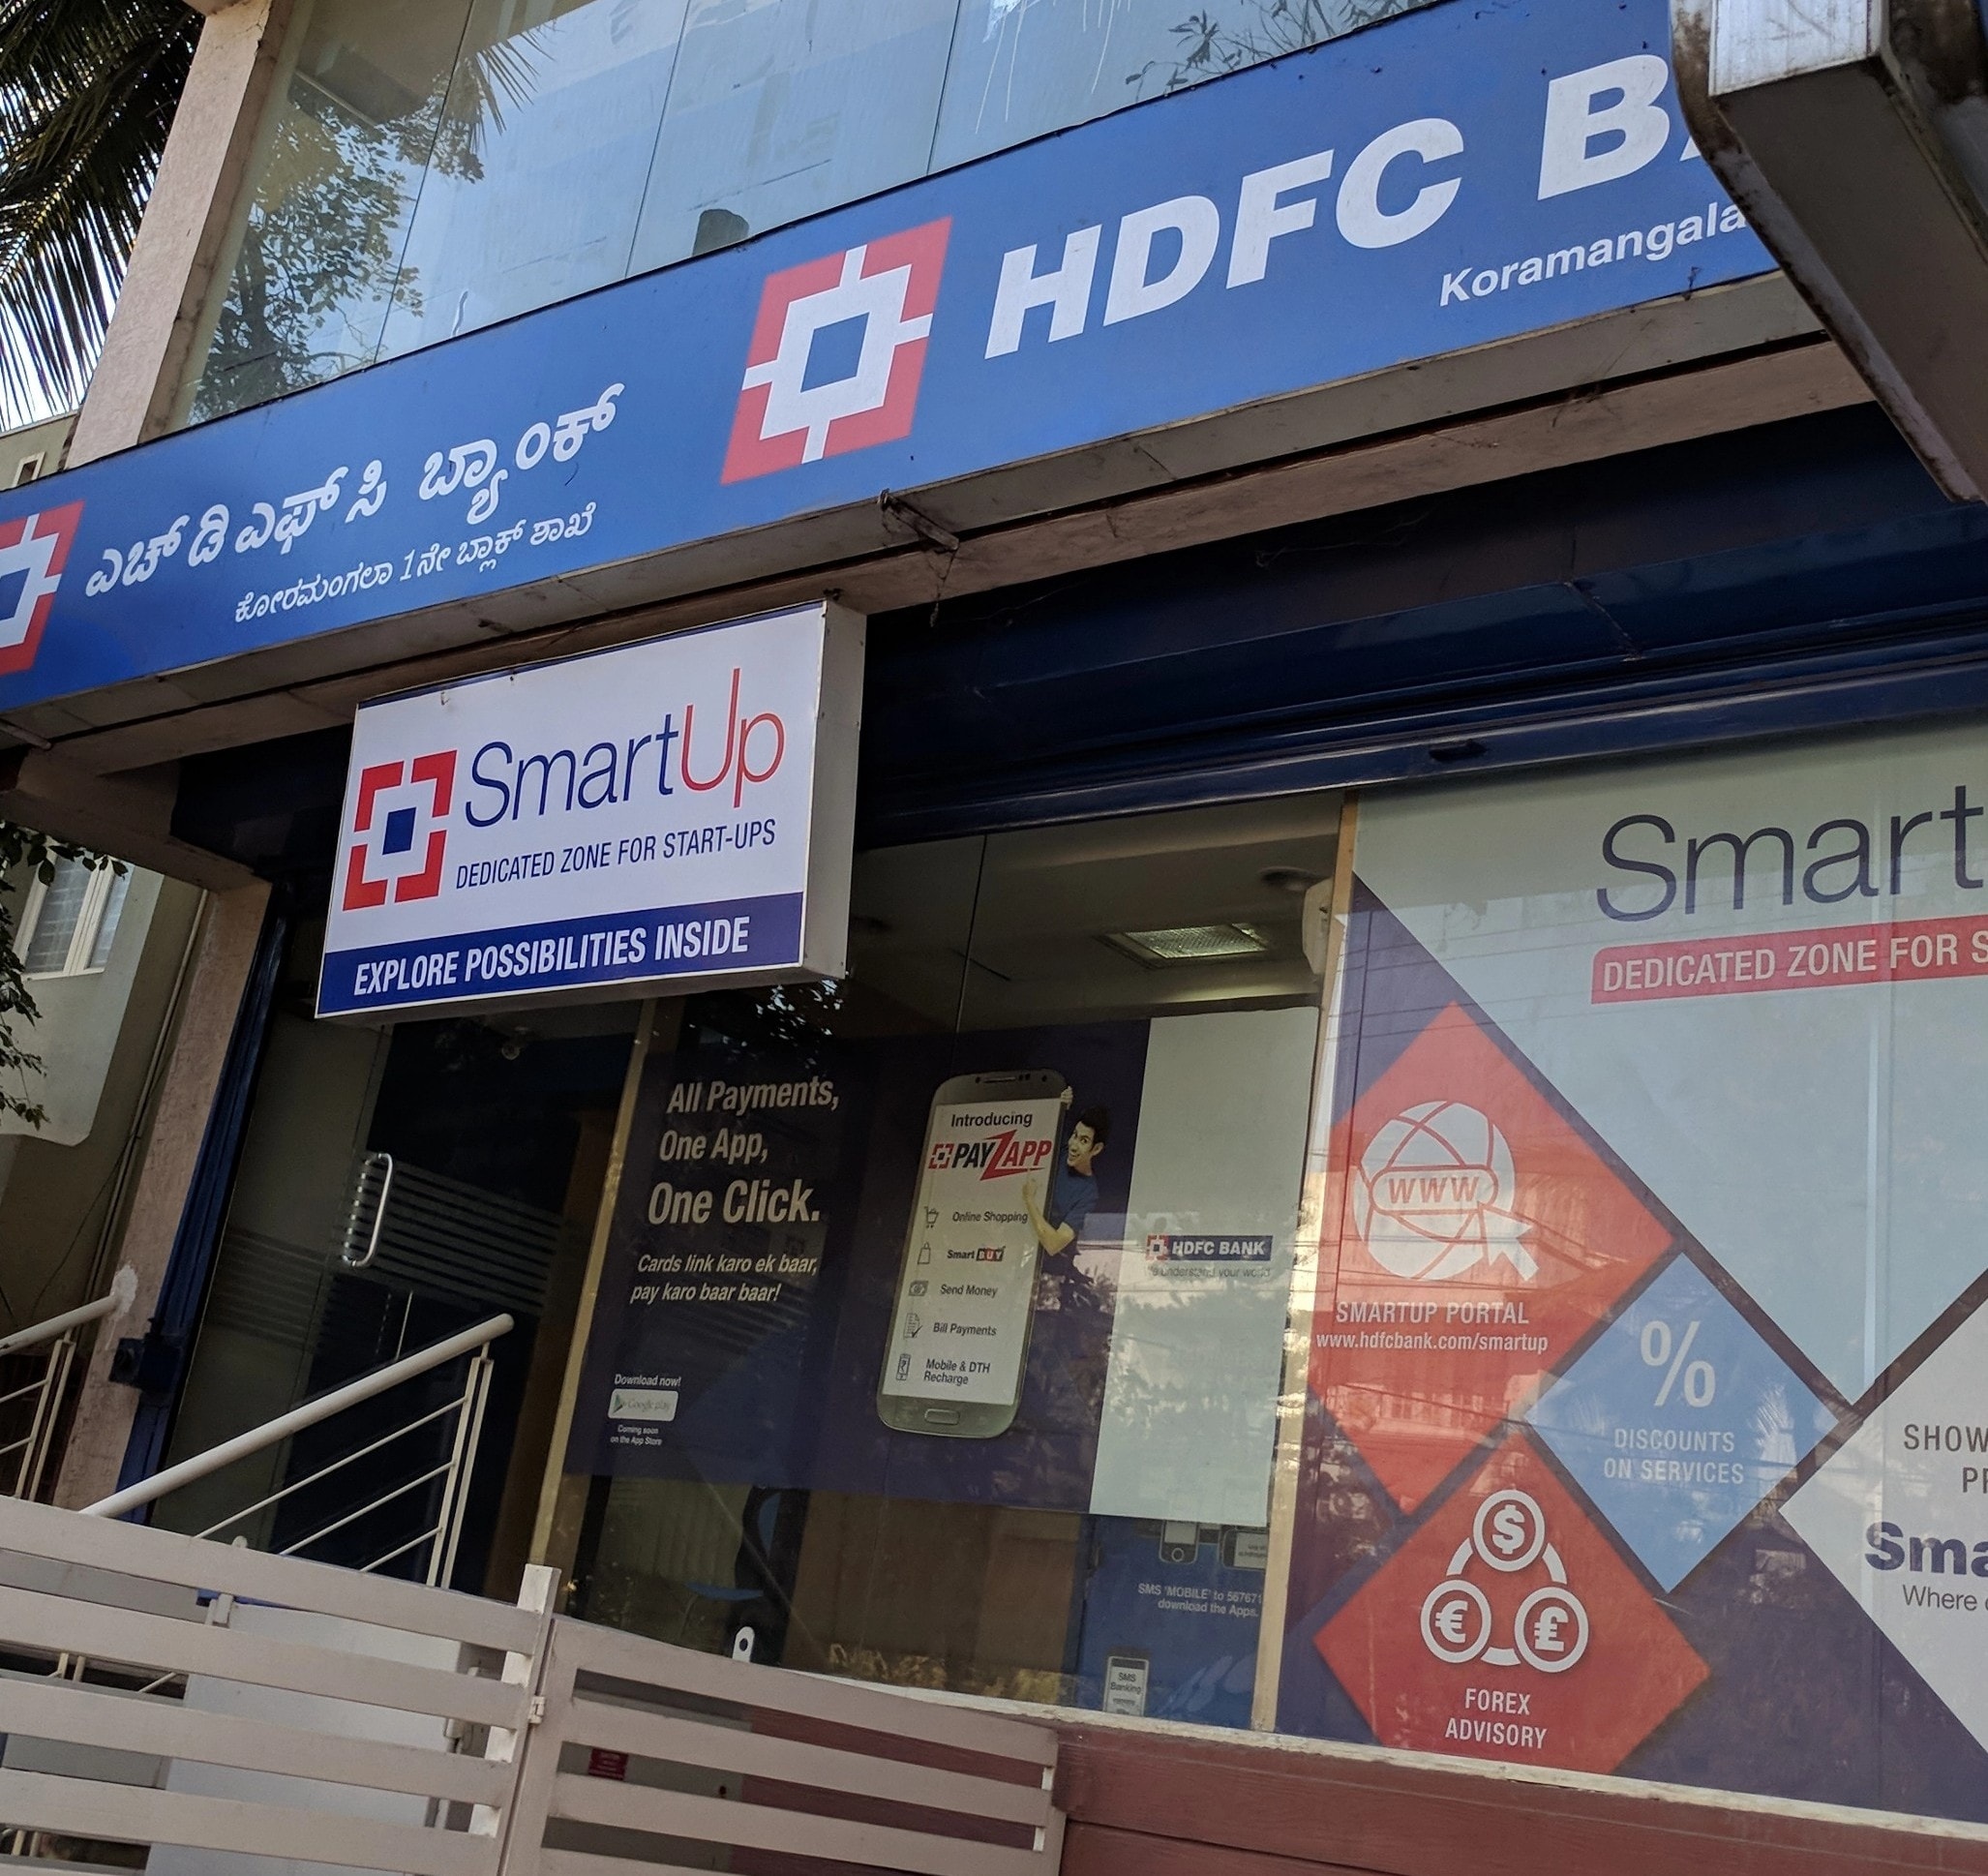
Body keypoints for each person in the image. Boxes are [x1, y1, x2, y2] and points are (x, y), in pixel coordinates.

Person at [1024, 1104, 1109, 1257]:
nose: (1073, 1146)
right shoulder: (1063, 1150)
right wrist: (1062, 1100)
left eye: (1083, 1141)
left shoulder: (1088, 1194)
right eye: (1074, 1135)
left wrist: (1029, 1200)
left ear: (1096, 1149)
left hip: (1042, 1261)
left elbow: (1053, 1244)